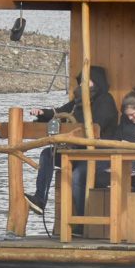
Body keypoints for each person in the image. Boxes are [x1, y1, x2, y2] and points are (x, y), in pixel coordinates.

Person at [25, 65, 118, 216]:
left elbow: (97, 124)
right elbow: (60, 112)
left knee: (78, 175)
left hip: (99, 155)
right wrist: (43, 113)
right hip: (76, 151)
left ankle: (82, 222)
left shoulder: (105, 100)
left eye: (87, 82)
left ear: (97, 82)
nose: (82, 85)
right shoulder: (77, 102)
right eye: (81, 82)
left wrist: (73, 122)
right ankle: (40, 199)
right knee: (48, 154)